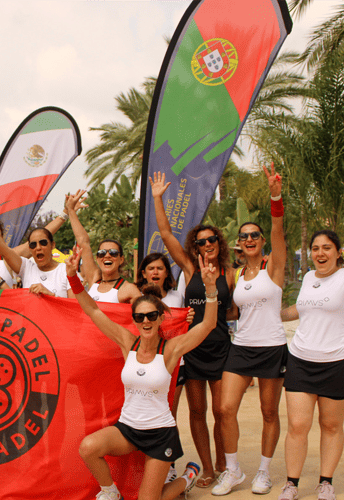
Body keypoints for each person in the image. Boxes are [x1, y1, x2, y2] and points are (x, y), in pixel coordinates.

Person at [68, 246, 222, 500]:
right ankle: (111, 493)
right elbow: (93, 310)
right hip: (128, 429)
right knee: (88, 447)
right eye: (140, 317)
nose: (146, 321)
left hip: (160, 434)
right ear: (135, 320)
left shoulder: (171, 349)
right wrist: (72, 277)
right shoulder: (127, 342)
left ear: (161, 318)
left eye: (151, 315)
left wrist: (211, 288)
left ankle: (187, 477)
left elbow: (208, 324)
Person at [150, 171, 235, 487]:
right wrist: (158, 198)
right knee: (197, 412)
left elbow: (234, 310)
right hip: (194, 348)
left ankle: (226, 464)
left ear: (219, 243)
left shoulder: (230, 273)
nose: (207, 244)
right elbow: (165, 233)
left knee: (223, 412)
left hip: (222, 348)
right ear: (195, 247)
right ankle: (209, 468)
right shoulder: (189, 269)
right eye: (201, 242)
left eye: (211, 240)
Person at [213, 164, 287, 496]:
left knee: (269, 412)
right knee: (225, 408)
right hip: (241, 347)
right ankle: (233, 471)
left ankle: (264, 472)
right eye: (243, 236)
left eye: (254, 235)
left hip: (271, 347)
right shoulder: (237, 275)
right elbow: (231, 311)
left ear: (261, 240)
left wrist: (275, 197)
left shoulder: (275, 267)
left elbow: (278, 229)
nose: (249, 239)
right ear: (239, 245)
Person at [277, 222, 344, 500]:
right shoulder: (307, 278)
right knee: (297, 426)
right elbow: (304, 308)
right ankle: (291, 484)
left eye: (327, 247)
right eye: (315, 248)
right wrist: (277, 313)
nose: (320, 253)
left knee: (331, 426)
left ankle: (325, 483)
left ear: (338, 252)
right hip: (301, 360)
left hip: (338, 361)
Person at [135, 252, 188, 483]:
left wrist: (187, 318)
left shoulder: (178, 297)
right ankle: (145, 466)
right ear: (143, 273)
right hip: (144, 368)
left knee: (168, 416)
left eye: (160, 268)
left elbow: (185, 326)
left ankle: (170, 465)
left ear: (167, 273)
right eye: (151, 268)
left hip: (174, 366)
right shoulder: (135, 298)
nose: (155, 272)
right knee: (141, 417)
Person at [0, 197, 74, 298]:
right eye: (33, 245)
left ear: (52, 245)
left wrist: (51, 296)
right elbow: (2, 248)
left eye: (43, 243)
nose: (38, 248)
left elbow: (76, 307)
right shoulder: (26, 268)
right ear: (30, 249)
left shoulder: (67, 271)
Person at [64, 190, 140, 303]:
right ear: (98, 259)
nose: (107, 256)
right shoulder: (94, 278)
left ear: (121, 259)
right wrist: (71, 210)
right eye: (102, 253)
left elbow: (145, 311)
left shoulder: (129, 289)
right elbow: (83, 241)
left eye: (113, 253)